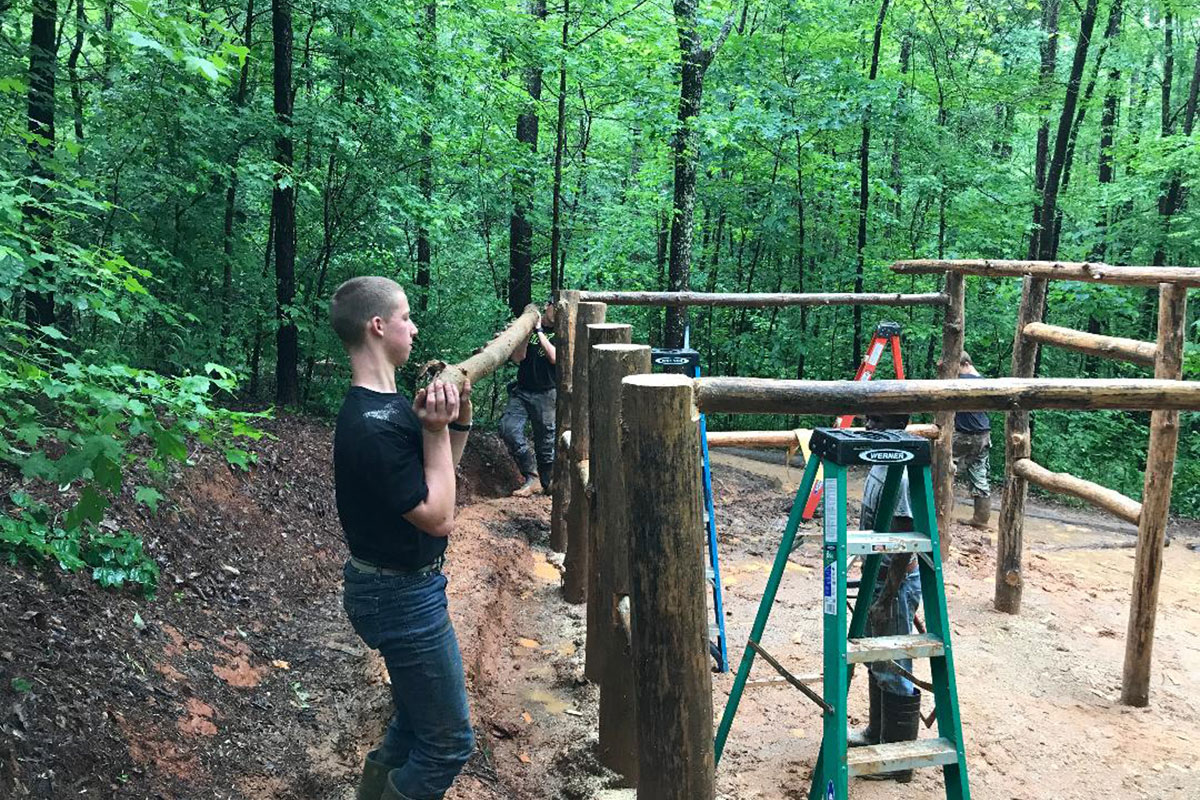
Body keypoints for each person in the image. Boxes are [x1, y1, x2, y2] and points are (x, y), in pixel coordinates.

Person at [329, 276, 475, 800]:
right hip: (400, 597)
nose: (414, 328)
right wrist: (433, 432)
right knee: (449, 744)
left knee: (414, 728)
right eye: (406, 317)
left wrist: (455, 424)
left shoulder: (388, 408)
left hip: (404, 588)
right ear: (378, 325)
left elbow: (440, 480)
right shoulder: (370, 425)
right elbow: (439, 518)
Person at [848, 413, 922, 783]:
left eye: (876, 420)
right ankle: (877, 735)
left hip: (894, 580)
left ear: (896, 425)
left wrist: (888, 595)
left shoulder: (901, 472)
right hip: (877, 575)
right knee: (875, 661)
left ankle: (896, 759)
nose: (867, 424)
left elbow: (905, 536)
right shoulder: (879, 460)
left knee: (891, 665)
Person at [499, 303, 557, 496]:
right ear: (548, 306)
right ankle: (532, 477)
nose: (557, 312)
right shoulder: (530, 329)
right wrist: (526, 332)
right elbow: (518, 357)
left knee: (546, 442)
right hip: (522, 391)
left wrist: (539, 331)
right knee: (508, 428)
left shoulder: (563, 331)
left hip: (546, 393)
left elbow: (554, 357)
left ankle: (549, 484)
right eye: (555, 307)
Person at [955, 352, 992, 528]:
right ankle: (981, 519)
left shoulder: (961, 381)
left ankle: (938, 512)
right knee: (979, 474)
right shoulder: (984, 381)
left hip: (963, 435)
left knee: (942, 470)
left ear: (965, 364)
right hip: (983, 435)